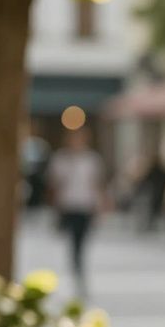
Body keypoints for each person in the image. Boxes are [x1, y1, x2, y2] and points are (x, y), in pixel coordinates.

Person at [46, 127, 109, 298]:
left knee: (81, 241)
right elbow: (54, 185)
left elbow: (97, 183)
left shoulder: (92, 159)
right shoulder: (60, 159)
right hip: (68, 206)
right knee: (73, 241)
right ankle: (76, 268)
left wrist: (101, 205)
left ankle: (79, 269)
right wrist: (55, 208)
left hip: (85, 206)